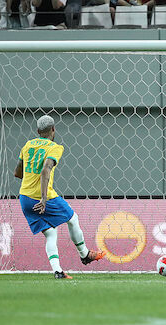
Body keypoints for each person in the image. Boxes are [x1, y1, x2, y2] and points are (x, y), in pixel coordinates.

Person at [14, 115, 105, 279]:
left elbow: (17, 172)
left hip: (24, 198)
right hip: (43, 197)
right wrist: (42, 198)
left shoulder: (27, 145)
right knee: (73, 218)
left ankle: (58, 271)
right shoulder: (55, 147)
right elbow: (45, 170)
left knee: (50, 233)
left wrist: (30, 179)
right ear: (53, 129)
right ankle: (84, 254)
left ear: (37, 131)